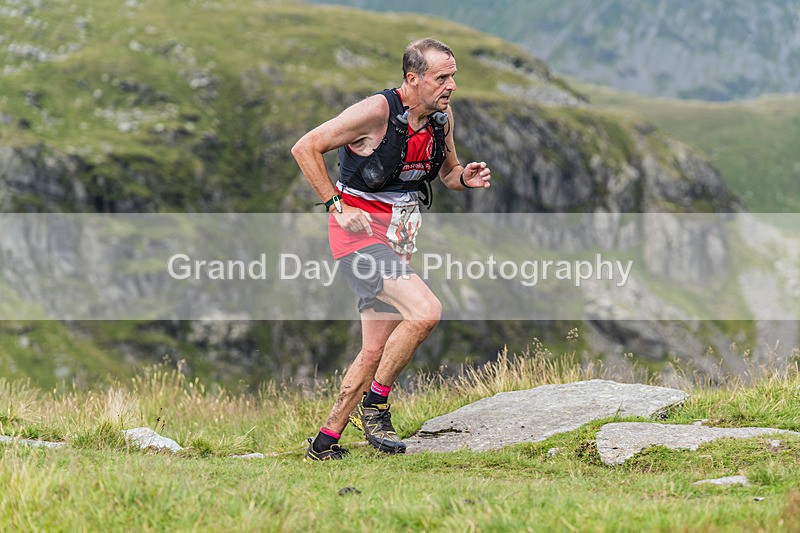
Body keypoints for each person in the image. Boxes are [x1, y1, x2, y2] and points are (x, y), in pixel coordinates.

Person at [291, 37, 492, 460]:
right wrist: (336, 207)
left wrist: (464, 177)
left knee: (373, 350)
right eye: (442, 77)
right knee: (425, 311)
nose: (451, 85)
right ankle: (376, 405)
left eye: (453, 76)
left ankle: (325, 442)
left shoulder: (441, 118)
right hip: (358, 240)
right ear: (412, 79)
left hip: (397, 241)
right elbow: (304, 147)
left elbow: (447, 172)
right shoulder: (376, 113)